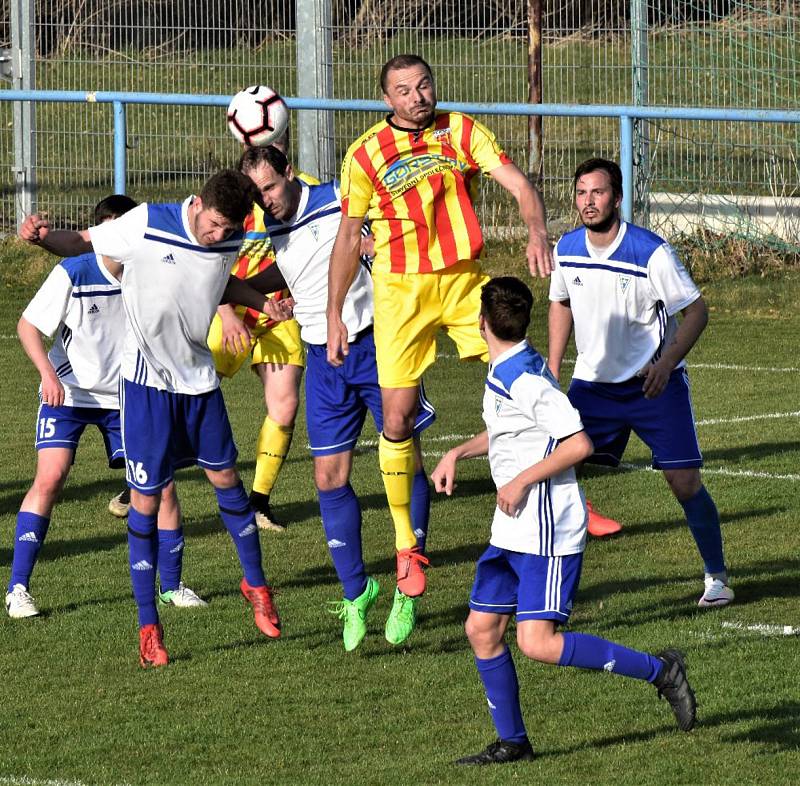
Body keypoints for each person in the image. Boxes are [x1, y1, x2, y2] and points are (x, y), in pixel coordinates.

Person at [18, 170, 288, 667]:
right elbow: (80, 240)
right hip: (146, 389)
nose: (218, 235)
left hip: (199, 383)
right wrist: (40, 237)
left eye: (229, 230)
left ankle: (257, 585)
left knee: (227, 480)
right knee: (145, 499)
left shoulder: (230, 235)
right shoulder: (147, 223)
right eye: (213, 225)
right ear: (198, 204)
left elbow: (218, 278)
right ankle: (149, 627)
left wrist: (259, 300)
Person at [431, 277, 697, 765]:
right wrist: (458, 451)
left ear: (482, 323)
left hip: (546, 529)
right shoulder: (508, 368)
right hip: (510, 528)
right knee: (481, 629)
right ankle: (513, 742)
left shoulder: (529, 380)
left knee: (538, 642)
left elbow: (579, 444)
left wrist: (520, 482)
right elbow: (507, 430)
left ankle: (660, 671)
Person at [327, 53, 551, 601]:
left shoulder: (461, 130)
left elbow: (519, 184)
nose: (417, 97)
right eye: (404, 90)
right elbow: (347, 238)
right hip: (400, 291)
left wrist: (536, 231)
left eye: (423, 85)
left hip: (461, 282)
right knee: (397, 421)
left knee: (526, 375)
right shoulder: (364, 154)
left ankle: (562, 486)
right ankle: (406, 544)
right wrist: (333, 313)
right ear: (387, 99)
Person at [238, 144, 435, 649]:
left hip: (379, 343)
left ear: (289, 172)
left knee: (405, 457)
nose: (266, 201)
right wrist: (236, 292)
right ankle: (357, 592)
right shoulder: (272, 222)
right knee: (328, 476)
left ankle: (407, 585)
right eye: (257, 194)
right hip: (323, 357)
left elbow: (395, 232)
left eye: (271, 188)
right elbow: (291, 270)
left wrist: (380, 245)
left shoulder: (342, 198)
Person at [6, 195, 204, 618]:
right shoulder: (74, 271)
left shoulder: (148, 275)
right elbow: (27, 326)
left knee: (162, 486)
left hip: (126, 396)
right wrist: (47, 374)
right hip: (70, 393)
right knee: (51, 477)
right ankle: (18, 589)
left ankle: (171, 586)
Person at [548, 158, 733, 607]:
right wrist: (554, 370)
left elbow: (697, 311)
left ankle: (717, 578)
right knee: (553, 474)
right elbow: (560, 301)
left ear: (617, 198)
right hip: (593, 387)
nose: (588, 202)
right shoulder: (567, 248)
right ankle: (553, 589)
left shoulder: (651, 252)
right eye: (581, 193)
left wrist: (666, 364)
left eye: (598, 193)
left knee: (683, 482)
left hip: (654, 385)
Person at [205, 131, 320, 532]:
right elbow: (210, 261)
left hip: (276, 316)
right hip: (229, 310)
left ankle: (258, 503)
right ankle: (141, 485)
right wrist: (227, 314)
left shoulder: (302, 194)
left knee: (285, 407)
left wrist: (296, 298)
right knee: (187, 395)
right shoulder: (238, 202)